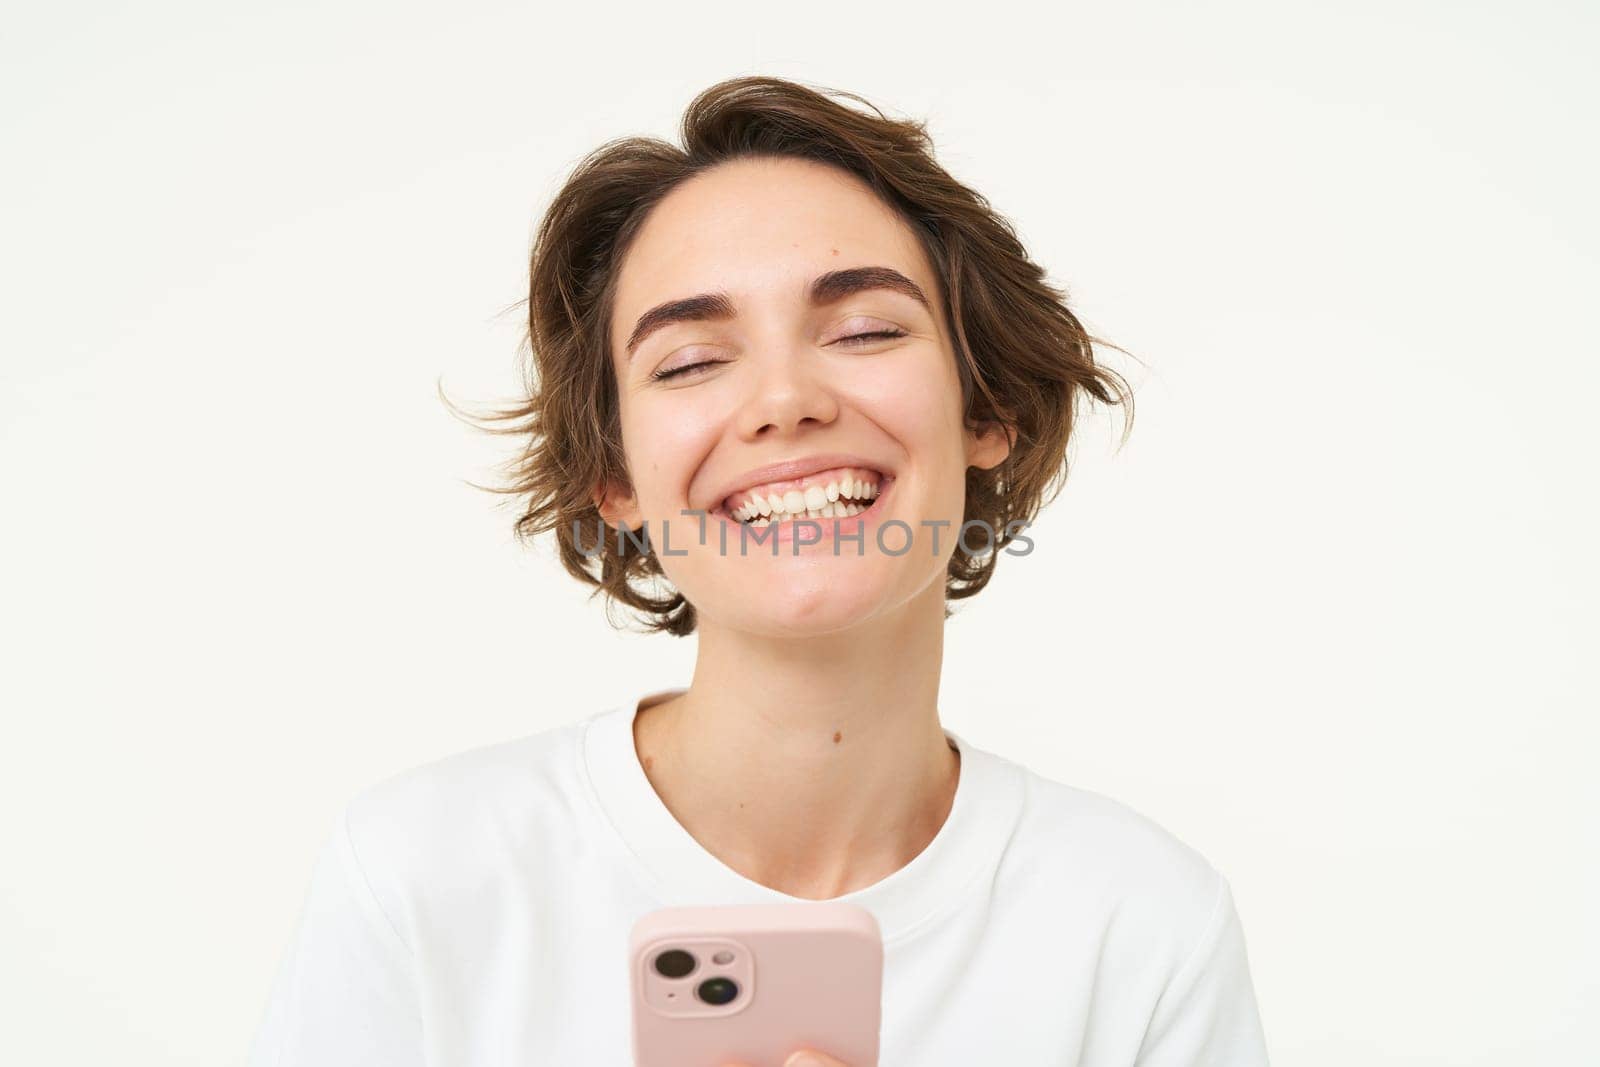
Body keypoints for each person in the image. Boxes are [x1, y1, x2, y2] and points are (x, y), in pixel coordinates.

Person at [248, 75, 1271, 1066]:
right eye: (690, 360)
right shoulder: (423, 876)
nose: (784, 399)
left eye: (865, 329)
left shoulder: (1141, 923)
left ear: (984, 406)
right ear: (613, 474)